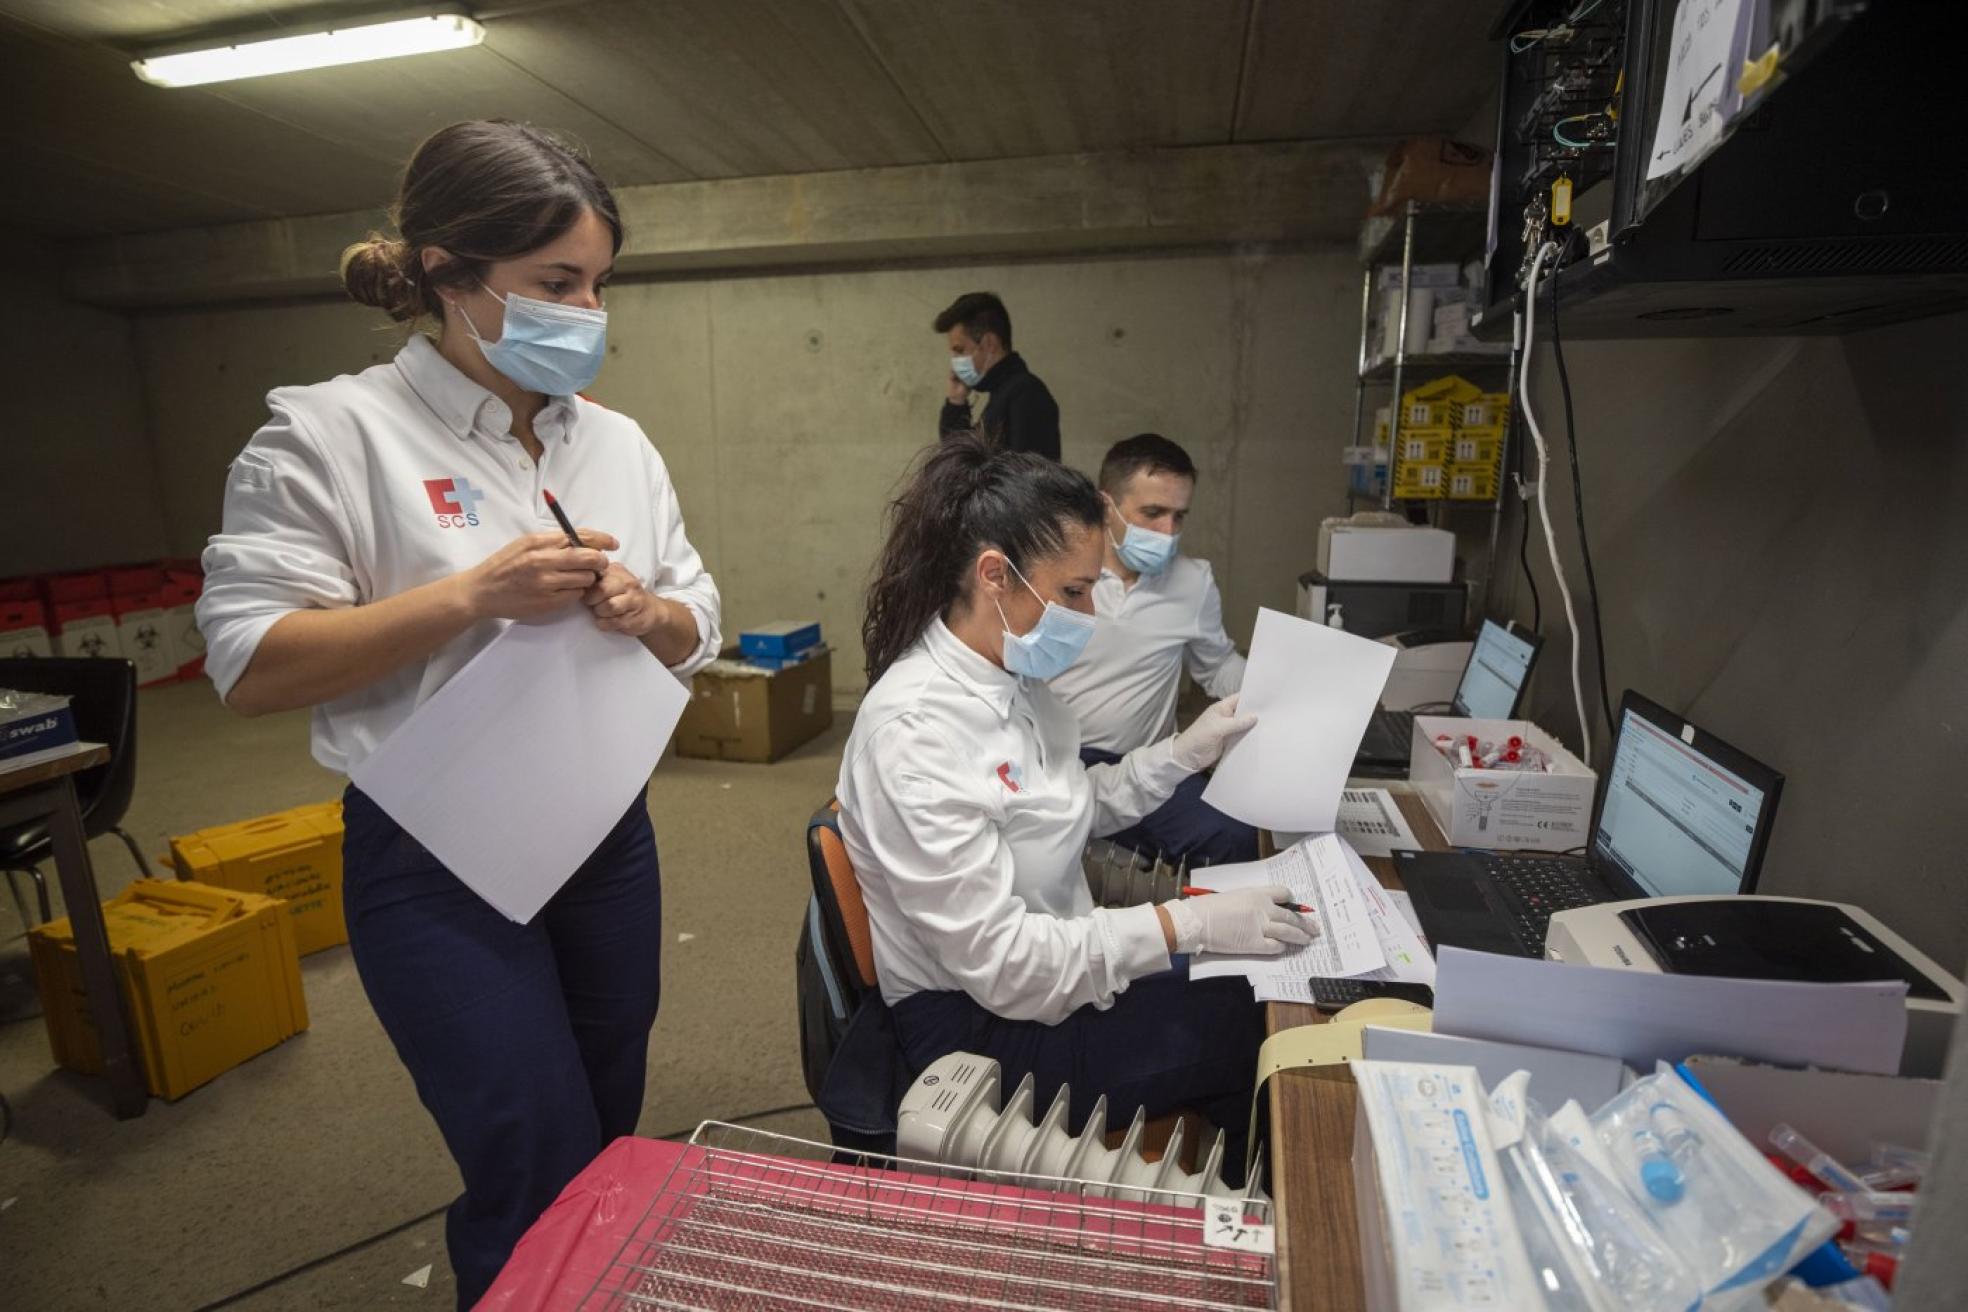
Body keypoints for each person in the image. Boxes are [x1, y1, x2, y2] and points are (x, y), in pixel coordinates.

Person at [195, 120, 720, 1307]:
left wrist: (649, 613)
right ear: (446, 272)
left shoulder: (619, 444)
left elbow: (704, 621)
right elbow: (248, 661)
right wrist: (468, 595)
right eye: (553, 284)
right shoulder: (334, 434)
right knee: (530, 1150)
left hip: (602, 830)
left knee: (607, 1108)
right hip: (435, 852)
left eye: (597, 285)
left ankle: (597, 1284)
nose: (586, 312)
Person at [837, 433, 1316, 1181]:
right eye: (1072, 592)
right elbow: (1004, 967)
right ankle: (1242, 1230)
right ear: (994, 575)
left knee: (1250, 980)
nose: (1091, 612)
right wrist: (1180, 924)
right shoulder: (916, 734)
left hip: (1043, 974)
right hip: (980, 1031)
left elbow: (1070, 805)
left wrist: (1181, 754)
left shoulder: (1014, 679)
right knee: (1252, 1026)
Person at [1051, 434, 1258, 867]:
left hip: (1151, 759)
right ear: (1106, 506)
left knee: (1237, 836)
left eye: (1179, 516)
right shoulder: (1060, 575)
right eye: (1152, 513)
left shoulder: (1193, 582)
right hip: (1059, 757)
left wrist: (1272, 691)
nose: (1168, 532)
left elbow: (1217, 664)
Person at [934, 291, 1061, 460]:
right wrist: (956, 403)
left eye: (960, 350)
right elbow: (960, 461)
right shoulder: (1003, 395)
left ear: (989, 343)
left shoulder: (1026, 393)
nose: (955, 362)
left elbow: (1029, 479)